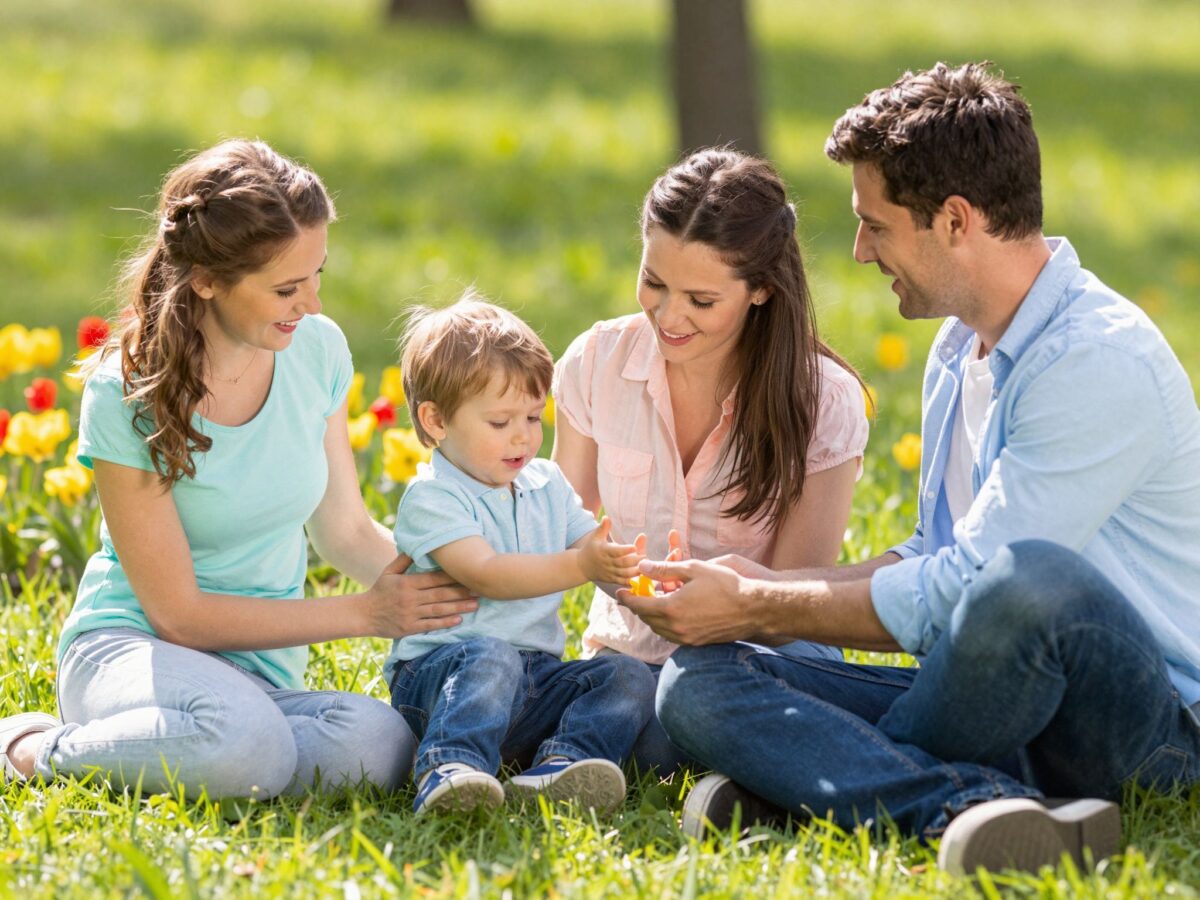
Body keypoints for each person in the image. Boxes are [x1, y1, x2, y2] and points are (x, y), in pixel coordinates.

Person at [625, 62, 1200, 875]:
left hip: (1143, 726)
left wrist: (758, 603)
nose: (860, 251)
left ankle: (813, 790)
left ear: (955, 220)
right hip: (988, 693)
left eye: (876, 226)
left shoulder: (1095, 359)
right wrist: (758, 590)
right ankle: (969, 807)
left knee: (1027, 580)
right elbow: (934, 552)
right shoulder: (959, 348)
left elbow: (970, 590)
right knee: (697, 681)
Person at [0, 140, 477, 799]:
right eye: (286, 288)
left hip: (258, 676)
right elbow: (178, 616)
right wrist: (367, 614)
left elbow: (343, 531)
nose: (311, 304)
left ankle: (210, 748)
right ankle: (31, 748)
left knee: (380, 743)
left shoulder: (317, 351)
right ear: (206, 279)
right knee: (247, 746)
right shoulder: (125, 391)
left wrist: (461, 591)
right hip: (134, 649)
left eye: (317, 276)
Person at [552, 148, 870, 772]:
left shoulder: (823, 399)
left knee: (689, 714)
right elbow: (564, 523)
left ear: (762, 290)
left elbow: (796, 598)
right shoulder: (596, 363)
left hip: (758, 652)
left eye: (701, 300)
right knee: (638, 719)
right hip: (628, 661)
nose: (669, 316)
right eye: (654, 282)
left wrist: (723, 611)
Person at [387, 294, 656, 815]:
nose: (523, 437)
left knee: (625, 674)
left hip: (533, 680)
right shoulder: (434, 497)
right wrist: (581, 567)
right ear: (436, 420)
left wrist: (634, 577)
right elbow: (486, 574)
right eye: (500, 422)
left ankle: (561, 765)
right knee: (491, 656)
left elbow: (589, 545)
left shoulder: (545, 482)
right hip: (444, 678)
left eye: (533, 417)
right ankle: (450, 767)